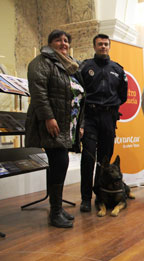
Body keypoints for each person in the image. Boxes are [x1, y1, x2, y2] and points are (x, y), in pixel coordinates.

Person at [25, 29, 84, 228]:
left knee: (59, 164)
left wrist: (79, 124)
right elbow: (39, 93)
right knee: (60, 161)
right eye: (58, 40)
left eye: (66, 40)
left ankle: (57, 208)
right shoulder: (41, 62)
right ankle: (55, 212)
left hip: (67, 123)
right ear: (50, 44)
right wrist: (48, 117)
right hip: (51, 123)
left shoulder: (69, 65)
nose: (63, 43)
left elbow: (78, 96)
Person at [79, 34, 128, 212]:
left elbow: (122, 95)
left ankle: (101, 195)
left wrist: (109, 106)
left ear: (109, 46)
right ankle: (85, 198)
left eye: (106, 44)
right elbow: (78, 92)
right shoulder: (85, 67)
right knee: (88, 158)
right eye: (100, 44)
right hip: (90, 117)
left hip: (108, 118)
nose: (103, 47)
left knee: (105, 162)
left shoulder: (117, 69)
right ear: (94, 46)